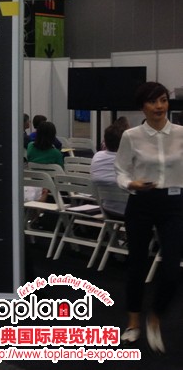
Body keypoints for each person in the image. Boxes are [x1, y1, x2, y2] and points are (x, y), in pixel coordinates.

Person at [114, 81, 183, 353]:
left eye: (163, 100)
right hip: (141, 201)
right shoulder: (131, 136)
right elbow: (120, 169)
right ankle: (133, 322)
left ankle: (155, 315)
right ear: (142, 106)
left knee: (172, 268)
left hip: (175, 202)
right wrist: (130, 183)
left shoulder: (181, 133)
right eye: (153, 101)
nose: (159, 106)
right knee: (137, 265)